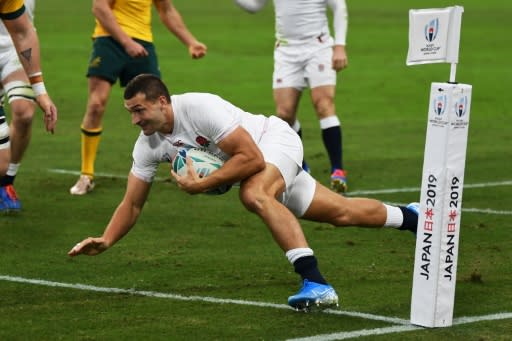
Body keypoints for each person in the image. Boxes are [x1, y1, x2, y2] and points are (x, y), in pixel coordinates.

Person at [68, 74, 419, 311]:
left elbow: (250, 158)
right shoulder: (148, 145)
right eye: (130, 113)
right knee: (341, 213)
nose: (135, 120)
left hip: (274, 141)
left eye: (140, 111)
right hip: (262, 160)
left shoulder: (199, 108)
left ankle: (316, 283)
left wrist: (203, 183)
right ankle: (414, 217)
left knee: (253, 194)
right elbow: (132, 203)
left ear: (162, 102)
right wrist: (107, 239)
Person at [69, 0, 207, 196]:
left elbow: (166, 10)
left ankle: (182, 166)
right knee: (96, 104)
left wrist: (190, 41)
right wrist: (126, 42)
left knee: (159, 107)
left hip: (143, 43)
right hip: (109, 40)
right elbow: (99, 7)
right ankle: (86, 174)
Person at [235, 0, 349, 193]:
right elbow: (254, 6)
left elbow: (339, 7)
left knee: (324, 105)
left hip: (318, 47)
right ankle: (302, 166)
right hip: (286, 50)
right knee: (285, 113)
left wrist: (339, 46)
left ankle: (337, 170)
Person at [0, 0, 58, 211]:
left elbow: (23, 33)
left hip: (15, 52)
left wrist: (40, 92)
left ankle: (6, 184)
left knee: (24, 114)